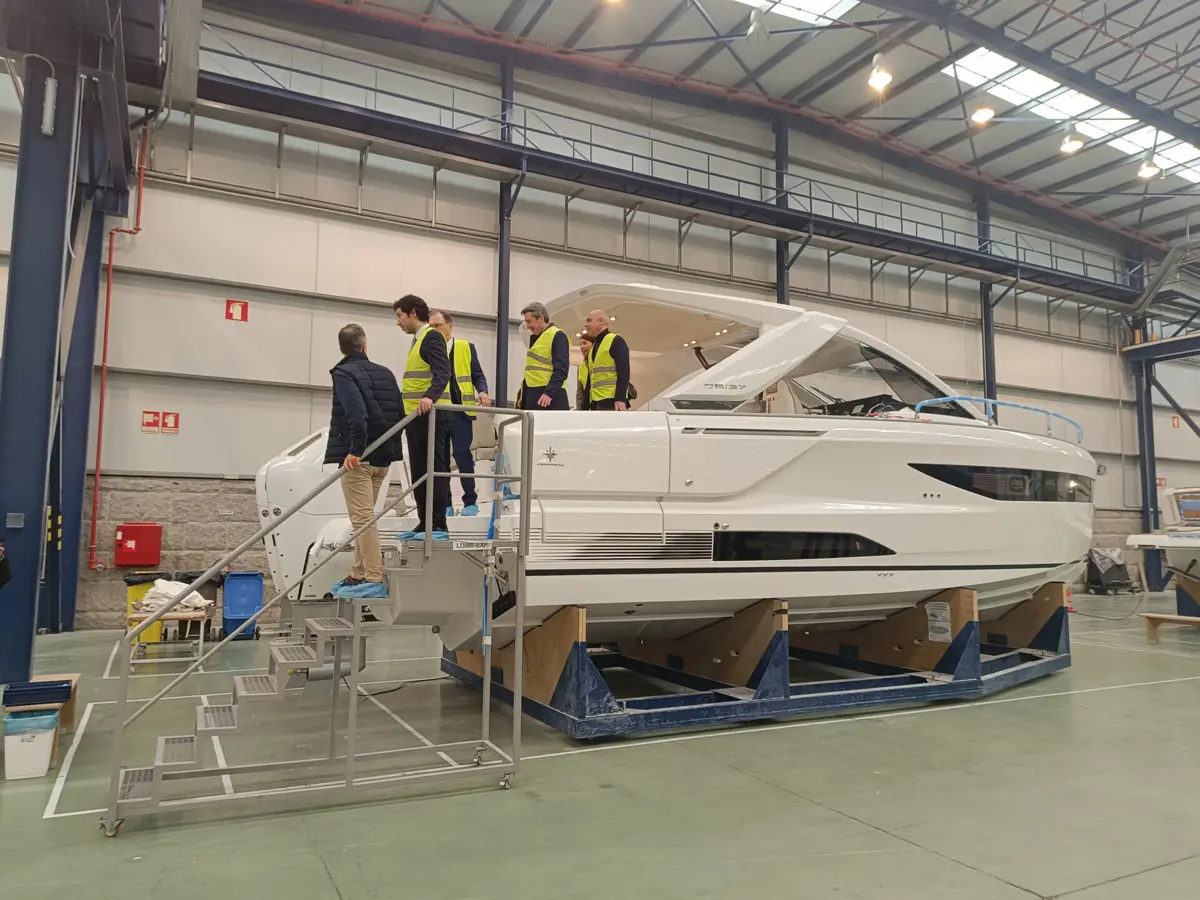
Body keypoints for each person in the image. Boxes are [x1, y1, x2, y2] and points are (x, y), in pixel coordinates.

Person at [324, 324, 403, 601]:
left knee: (362, 520)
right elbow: (399, 413)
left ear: (342, 348)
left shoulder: (343, 373)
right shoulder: (386, 373)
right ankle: (358, 572)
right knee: (365, 518)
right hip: (383, 457)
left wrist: (355, 450)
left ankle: (372, 576)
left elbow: (356, 413)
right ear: (365, 346)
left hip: (360, 459)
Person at [394, 294, 453, 538]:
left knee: (433, 469)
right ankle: (424, 522)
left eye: (400, 316)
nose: (398, 322)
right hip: (415, 417)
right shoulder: (417, 341)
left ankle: (438, 524)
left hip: (431, 416)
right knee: (419, 472)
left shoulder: (431, 337)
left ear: (413, 314)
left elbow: (443, 371)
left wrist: (430, 396)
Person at [429, 309, 490, 517]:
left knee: (462, 454)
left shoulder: (466, 348)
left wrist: (482, 391)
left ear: (450, 325)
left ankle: (470, 501)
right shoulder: (427, 349)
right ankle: (445, 503)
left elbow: (477, 375)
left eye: (438, 326)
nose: (434, 330)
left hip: (461, 412)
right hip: (438, 411)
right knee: (441, 459)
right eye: (431, 327)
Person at [518, 301, 569, 410]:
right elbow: (531, 371)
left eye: (529, 322)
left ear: (541, 318)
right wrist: (523, 395)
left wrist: (549, 392)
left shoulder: (557, 335)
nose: (528, 326)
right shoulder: (535, 338)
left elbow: (561, 370)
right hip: (533, 394)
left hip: (548, 397)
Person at [584, 308, 631, 410]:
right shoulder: (594, 346)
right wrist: (585, 404)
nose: (586, 325)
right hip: (596, 400)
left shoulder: (616, 341)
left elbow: (624, 371)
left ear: (600, 321)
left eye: (589, 321)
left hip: (612, 401)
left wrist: (620, 398)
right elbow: (591, 378)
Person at [576, 332, 593, 410]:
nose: (582, 347)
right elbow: (580, 393)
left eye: (585, 343)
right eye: (580, 344)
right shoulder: (581, 367)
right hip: (587, 407)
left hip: (603, 404)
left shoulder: (600, 362)